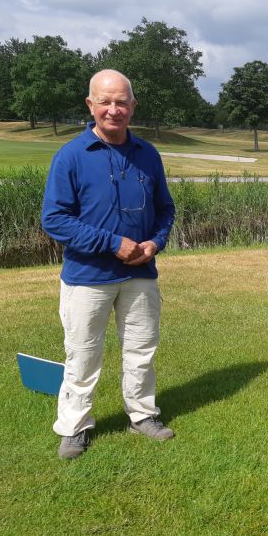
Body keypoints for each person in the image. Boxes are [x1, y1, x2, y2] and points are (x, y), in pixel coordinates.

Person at [42, 69, 176, 459]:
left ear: (133, 106)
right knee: (83, 354)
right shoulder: (71, 156)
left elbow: (165, 209)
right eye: (106, 102)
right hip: (88, 277)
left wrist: (155, 242)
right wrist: (112, 244)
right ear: (91, 105)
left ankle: (142, 414)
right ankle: (75, 426)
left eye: (121, 102)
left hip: (140, 275)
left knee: (141, 349)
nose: (114, 110)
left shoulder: (147, 154)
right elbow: (55, 219)